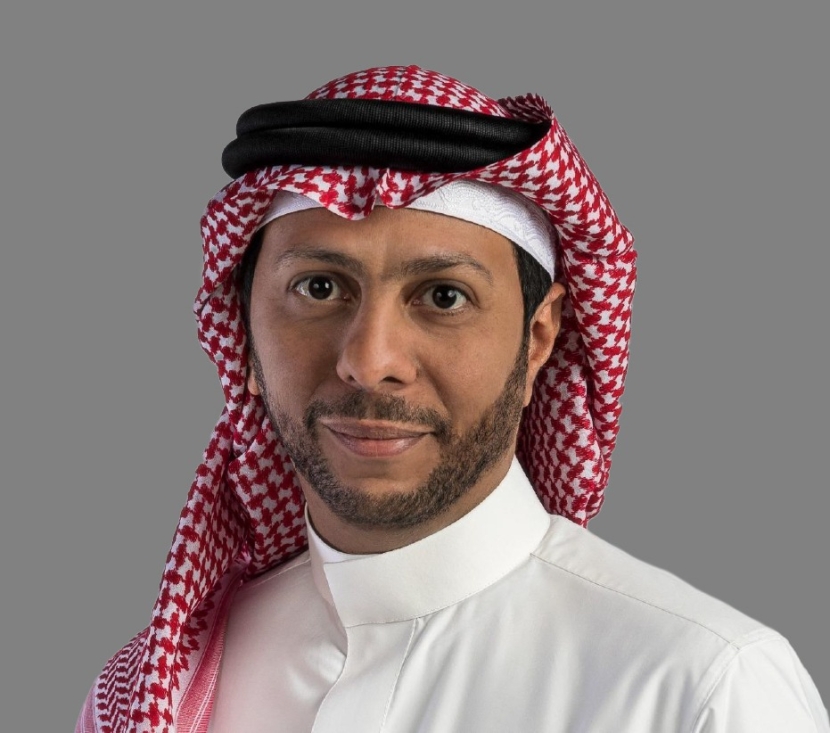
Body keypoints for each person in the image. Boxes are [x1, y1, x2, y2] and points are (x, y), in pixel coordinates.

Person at [77, 65, 828, 733]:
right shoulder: (153, 692)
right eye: (320, 288)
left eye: (443, 296)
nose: (370, 363)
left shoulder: (700, 691)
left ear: (537, 339)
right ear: (243, 334)